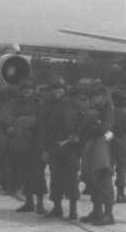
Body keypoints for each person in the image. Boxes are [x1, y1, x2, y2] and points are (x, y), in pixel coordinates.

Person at [40, 78, 82, 219]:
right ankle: (57, 208)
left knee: (72, 178)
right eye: (55, 88)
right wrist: (45, 149)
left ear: (64, 90)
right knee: (55, 179)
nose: (57, 91)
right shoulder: (48, 106)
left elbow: (82, 124)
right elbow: (44, 129)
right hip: (54, 147)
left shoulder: (74, 104)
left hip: (70, 148)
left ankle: (73, 210)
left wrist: (76, 137)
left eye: (60, 88)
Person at [6, 79, 47, 214]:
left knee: (38, 174)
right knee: (24, 173)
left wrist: (23, 121)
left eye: (29, 88)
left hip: (36, 142)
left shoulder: (39, 103)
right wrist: (15, 125)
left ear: (33, 90)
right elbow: (10, 118)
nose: (27, 91)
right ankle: (29, 202)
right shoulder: (15, 103)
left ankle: (40, 203)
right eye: (24, 89)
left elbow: (42, 121)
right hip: (21, 143)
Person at [79, 83, 116, 226]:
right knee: (93, 180)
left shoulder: (109, 110)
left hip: (104, 150)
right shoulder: (98, 109)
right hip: (95, 147)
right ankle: (97, 212)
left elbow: (104, 129)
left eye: (96, 97)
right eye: (92, 97)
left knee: (104, 180)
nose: (93, 100)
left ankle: (108, 214)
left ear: (103, 97)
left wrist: (92, 127)